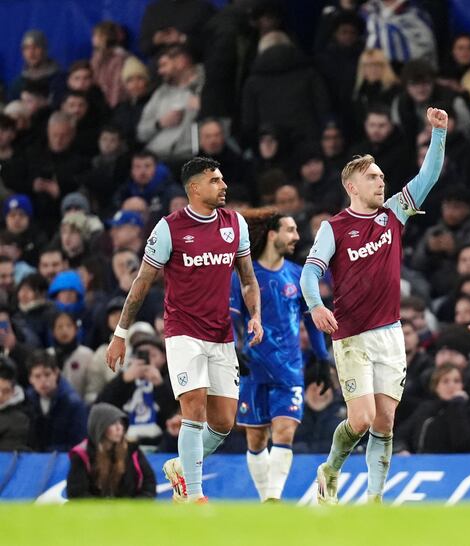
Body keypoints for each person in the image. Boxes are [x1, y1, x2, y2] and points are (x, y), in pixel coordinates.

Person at [300, 107, 448, 504]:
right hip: (351, 335)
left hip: (390, 333)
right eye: (373, 177)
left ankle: (374, 502)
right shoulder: (334, 227)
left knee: (384, 423)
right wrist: (316, 306)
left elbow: (428, 177)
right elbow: (309, 274)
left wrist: (438, 134)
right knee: (361, 419)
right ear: (352, 186)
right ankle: (330, 469)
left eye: (382, 176)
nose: (382, 181)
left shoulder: (393, 214)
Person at [105, 157, 264, 503]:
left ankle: (181, 466)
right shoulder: (168, 229)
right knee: (193, 407)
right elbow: (142, 283)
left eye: (223, 180)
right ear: (194, 188)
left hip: (221, 335)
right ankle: (194, 496)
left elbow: (248, 279)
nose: (224, 186)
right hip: (183, 332)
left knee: (223, 422)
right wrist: (120, 333)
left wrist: (255, 315)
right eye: (215, 181)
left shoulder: (235, 224)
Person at [230, 209, 333, 502]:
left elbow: (312, 319)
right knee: (256, 438)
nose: (296, 237)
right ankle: (267, 499)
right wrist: (235, 351)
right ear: (272, 234)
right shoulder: (244, 276)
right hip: (252, 368)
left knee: (285, 431)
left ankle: (274, 499)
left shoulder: (297, 275)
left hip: (289, 368)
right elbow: (230, 317)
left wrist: (322, 359)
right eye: (290, 230)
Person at [66, 402, 156, 499]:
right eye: (113, 423)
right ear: (99, 427)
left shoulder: (132, 450)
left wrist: (134, 507)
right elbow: (76, 493)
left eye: (121, 423)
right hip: (94, 512)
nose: (119, 428)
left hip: (128, 510)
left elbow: (149, 485)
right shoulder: (82, 454)